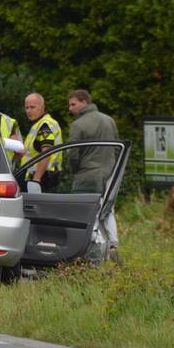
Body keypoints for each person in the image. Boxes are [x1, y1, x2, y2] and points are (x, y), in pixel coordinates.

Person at [67, 89, 120, 249]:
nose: (70, 108)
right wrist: (112, 166)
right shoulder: (109, 120)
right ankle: (113, 245)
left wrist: (75, 171)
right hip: (109, 173)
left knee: (89, 212)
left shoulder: (78, 125)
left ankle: (96, 248)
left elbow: (73, 154)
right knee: (107, 210)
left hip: (88, 175)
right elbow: (117, 148)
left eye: (73, 104)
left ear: (85, 102)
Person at [20, 93, 63, 191]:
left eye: (32, 107)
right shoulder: (38, 124)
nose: (29, 111)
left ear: (42, 107)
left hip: (43, 179)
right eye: (27, 108)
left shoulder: (45, 125)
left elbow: (46, 153)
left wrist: (36, 179)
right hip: (40, 177)